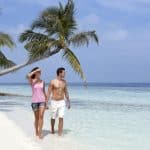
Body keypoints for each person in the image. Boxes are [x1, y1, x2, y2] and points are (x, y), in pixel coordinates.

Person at [47, 67, 71, 136]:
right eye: (64, 72)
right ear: (60, 73)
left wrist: (68, 102)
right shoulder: (53, 81)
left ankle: (60, 133)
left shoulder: (64, 82)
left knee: (61, 117)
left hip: (62, 102)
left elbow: (66, 92)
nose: (65, 74)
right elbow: (48, 92)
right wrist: (46, 103)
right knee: (53, 117)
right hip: (54, 101)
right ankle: (52, 128)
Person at [27, 67, 48, 139]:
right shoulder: (32, 81)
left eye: (40, 72)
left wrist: (46, 103)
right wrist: (35, 70)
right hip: (34, 102)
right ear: (35, 73)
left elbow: (44, 92)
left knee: (41, 116)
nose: (40, 73)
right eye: (38, 72)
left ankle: (40, 132)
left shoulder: (43, 82)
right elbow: (28, 75)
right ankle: (36, 130)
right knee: (36, 118)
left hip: (42, 101)